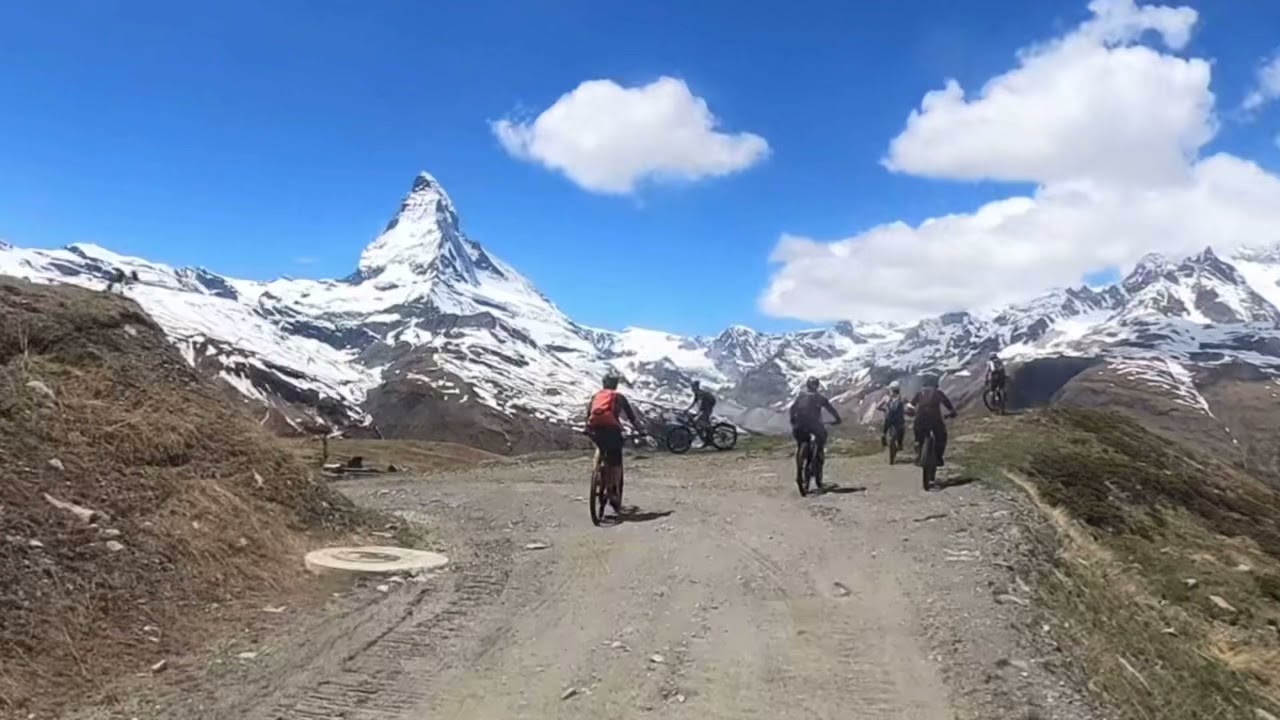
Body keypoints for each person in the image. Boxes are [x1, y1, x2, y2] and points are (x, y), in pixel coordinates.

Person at [585, 372, 643, 509]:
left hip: (595, 430)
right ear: (615, 384)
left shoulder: (596, 396)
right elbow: (631, 417)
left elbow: (588, 415)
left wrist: (587, 430)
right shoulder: (618, 397)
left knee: (601, 448)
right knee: (615, 458)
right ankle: (612, 489)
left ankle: (597, 472)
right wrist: (642, 431)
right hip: (612, 430)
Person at [789, 377, 842, 486]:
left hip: (799, 426)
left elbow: (792, 410)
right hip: (814, 425)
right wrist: (837, 419)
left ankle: (799, 471)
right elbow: (830, 409)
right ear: (817, 386)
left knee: (800, 446)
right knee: (821, 439)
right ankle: (817, 458)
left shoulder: (800, 397)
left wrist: (793, 421)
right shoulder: (819, 398)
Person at [908, 375, 956, 467]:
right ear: (936, 385)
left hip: (920, 419)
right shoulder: (938, 393)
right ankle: (938, 458)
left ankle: (919, 455)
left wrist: (911, 412)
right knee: (942, 436)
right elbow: (947, 403)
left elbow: (910, 406)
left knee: (918, 438)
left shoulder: (919, 393)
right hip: (935, 419)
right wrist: (952, 412)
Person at [877, 380, 907, 451]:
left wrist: (883, 409)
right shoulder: (902, 398)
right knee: (902, 429)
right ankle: (900, 444)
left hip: (889, 418)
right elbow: (909, 405)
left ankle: (883, 435)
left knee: (885, 426)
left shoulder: (886, 398)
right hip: (899, 419)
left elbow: (877, 406)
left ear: (890, 389)